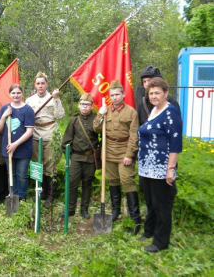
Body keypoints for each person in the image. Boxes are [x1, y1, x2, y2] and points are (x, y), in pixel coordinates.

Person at [137, 77, 182, 252]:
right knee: (150, 201)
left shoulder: (170, 112)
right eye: (151, 93)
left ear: (166, 93)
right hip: (147, 167)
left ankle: (160, 242)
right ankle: (149, 232)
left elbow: (175, 143)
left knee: (162, 204)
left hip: (161, 167)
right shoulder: (154, 110)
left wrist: (171, 168)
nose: (154, 96)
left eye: (157, 93)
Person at [93, 80, 141, 234]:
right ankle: (115, 212)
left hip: (124, 151)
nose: (114, 97)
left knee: (127, 180)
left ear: (123, 94)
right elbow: (96, 128)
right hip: (108, 151)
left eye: (117, 94)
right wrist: (100, 114)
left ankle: (135, 219)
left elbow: (134, 136)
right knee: (112, 181)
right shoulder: (106, 111)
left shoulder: (131, 112)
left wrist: (129, 154)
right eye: (112, 95)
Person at [26, 72, 65, 208]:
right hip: (35, 134)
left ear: (47, 84)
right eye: (38, 83)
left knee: (50, 165)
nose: (40, 86)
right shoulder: (30, 100)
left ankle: (50, 195)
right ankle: (40, 192)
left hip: (50, 133)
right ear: (35, 85)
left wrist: (56, 99)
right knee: (37, 164)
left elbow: (60, 115)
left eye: (43, 83)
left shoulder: (52, 97)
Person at [61, 93, 99, 219]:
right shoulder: (74, 120)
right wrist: (68, 158)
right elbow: (66, 141)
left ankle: (84, 209)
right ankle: (70, 209)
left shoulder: (96, 120)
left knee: (87, 184)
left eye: (87, 105)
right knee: (72, 183)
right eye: (82, 104)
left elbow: (102, 136)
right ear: (79, 105)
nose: (85, 107)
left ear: (91, 106)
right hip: (76, 158)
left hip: (90, 158)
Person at [0, 84, 35, 201]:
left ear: (22, 94)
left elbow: (29, 131)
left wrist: (15, 144)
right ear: (10, 94)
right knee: (11, 174)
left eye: (18, 93)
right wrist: (3, 116)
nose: (16, 95)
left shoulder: (28, 110)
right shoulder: (5, 108)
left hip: (23, 149)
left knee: (21, 175)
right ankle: (12, 195)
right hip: (8, 148)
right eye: (13, 93)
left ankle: (22, 196)